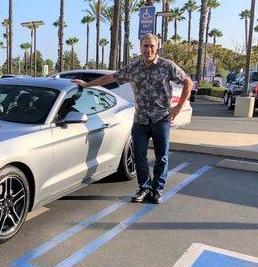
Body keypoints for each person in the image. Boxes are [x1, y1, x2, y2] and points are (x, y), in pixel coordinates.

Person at [74, 33, 192, 204]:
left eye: (151, 46)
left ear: (156, 47)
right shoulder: (134, 68)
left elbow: (187, 81)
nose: (148, 49)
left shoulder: (167, 66)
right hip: (140, 120)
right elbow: (111, 77)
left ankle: (157, 190)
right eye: (145, 46)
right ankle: (144, 188)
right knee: (139, 156)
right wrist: (87, 84)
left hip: (161, 119)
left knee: (162, 157)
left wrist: (178, 107)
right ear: (140, 47)